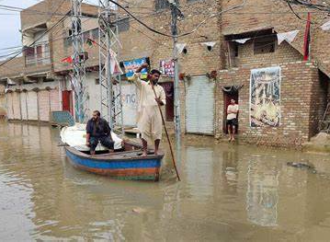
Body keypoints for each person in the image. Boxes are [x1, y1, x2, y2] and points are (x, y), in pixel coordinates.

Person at [132, 63, 166, 156]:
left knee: (157, 132)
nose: (157, 78)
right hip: (145, 112)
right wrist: (141, 67)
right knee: (144, 131)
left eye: (158, 77)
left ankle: (156, 150)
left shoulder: (160, 88)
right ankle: (145, 151)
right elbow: (134, 77)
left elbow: (163, 101)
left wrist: (159, 101)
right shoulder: (143, 85)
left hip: (156, 112)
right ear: (150, 76)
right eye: (155, 76)